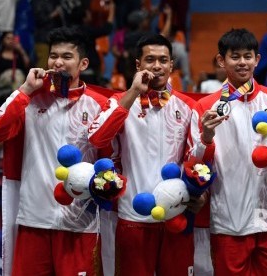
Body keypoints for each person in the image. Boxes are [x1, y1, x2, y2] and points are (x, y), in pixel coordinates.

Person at [0, 26, 113, 276]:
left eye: (67, 56)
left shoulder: (99, 105)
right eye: (53, 56)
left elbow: (109, 158)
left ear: (83, 63)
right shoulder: (30, 99)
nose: (58, 62)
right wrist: (25, 91)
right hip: (34, 219)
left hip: (79, 224)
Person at [188, 28, 267, 275]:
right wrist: (206, 137)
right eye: (234, 56)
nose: (242, 62)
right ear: (221, 61)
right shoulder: (205, 106)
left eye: (248, 56)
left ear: (257, 60)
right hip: (229, 219)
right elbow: (195, 165)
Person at [88, 33, 199, 275]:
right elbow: (97, 138)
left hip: (175, 217)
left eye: (163, 60)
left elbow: (196, 157)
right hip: (133, 216)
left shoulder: (187, 106)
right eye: (150, 59)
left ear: (172, 65)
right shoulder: (119, 102)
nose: (157, 66)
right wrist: (132, 93)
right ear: (138, 64)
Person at [0, 32, 31, 114]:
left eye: (12, 38)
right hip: (3, 90)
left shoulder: (19, 55)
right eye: (8, 38)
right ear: (2, 41)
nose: (10, 40)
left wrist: (21, 50)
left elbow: (27, 65)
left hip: (18, 89)